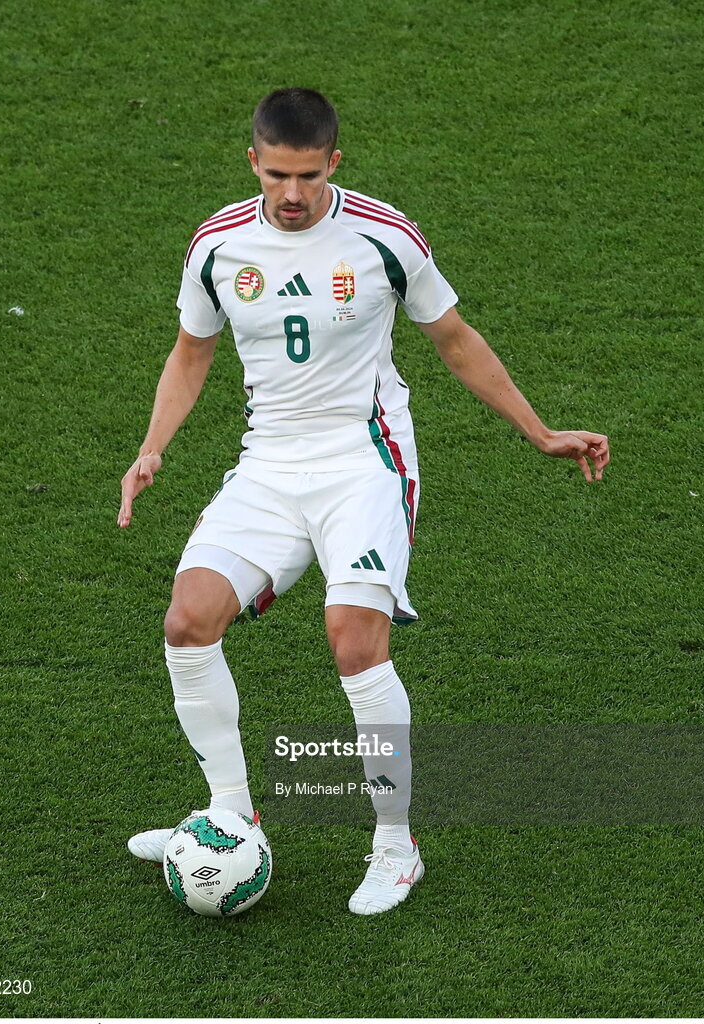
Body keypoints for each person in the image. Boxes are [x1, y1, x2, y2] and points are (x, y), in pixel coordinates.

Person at [118, 88, 610, 915]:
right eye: (278, 175)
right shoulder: (216, 245)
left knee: (353, 642)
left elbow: (454, 338)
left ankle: (395, 844)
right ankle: (229, 816)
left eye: (309, 175)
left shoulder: (385, 235)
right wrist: (152, 445)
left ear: (333, 164)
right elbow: (190, 353)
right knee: (186, 620)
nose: (294, 194)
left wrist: (539, 430)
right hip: (268, 466)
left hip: (364, 464)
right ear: (254, 163)